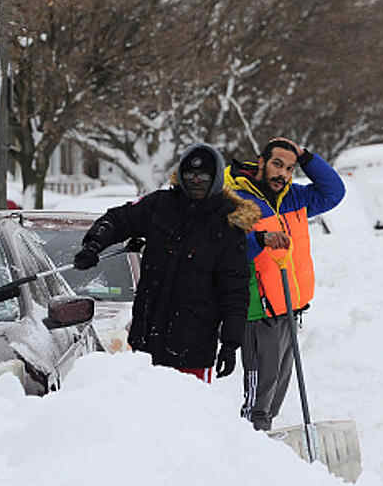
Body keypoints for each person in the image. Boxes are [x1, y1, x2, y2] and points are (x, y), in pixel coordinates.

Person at [73, 143, 260, 383]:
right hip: (146, 339)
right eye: (190, 174)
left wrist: (231, 343)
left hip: (194, 345)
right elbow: (119, 219)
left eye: (203, 175)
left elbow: (235, 290)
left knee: (186, 414)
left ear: (215, 179)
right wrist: (94, 245)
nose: (195, 180)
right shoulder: (160, 205)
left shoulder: (228, 223)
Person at [227, 137, 345, 431]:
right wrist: (260, 240)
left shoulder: (294, 198)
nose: (283, 173)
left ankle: (262, 447)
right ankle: (245, 448)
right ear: (261, 161)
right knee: (259, 398)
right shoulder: (241, 202)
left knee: (277, 389)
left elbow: (334, 192)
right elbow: (231, 251)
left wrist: (306, 157)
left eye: (290, 168)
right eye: (277, 164)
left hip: (289, 308)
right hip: (260, 312)